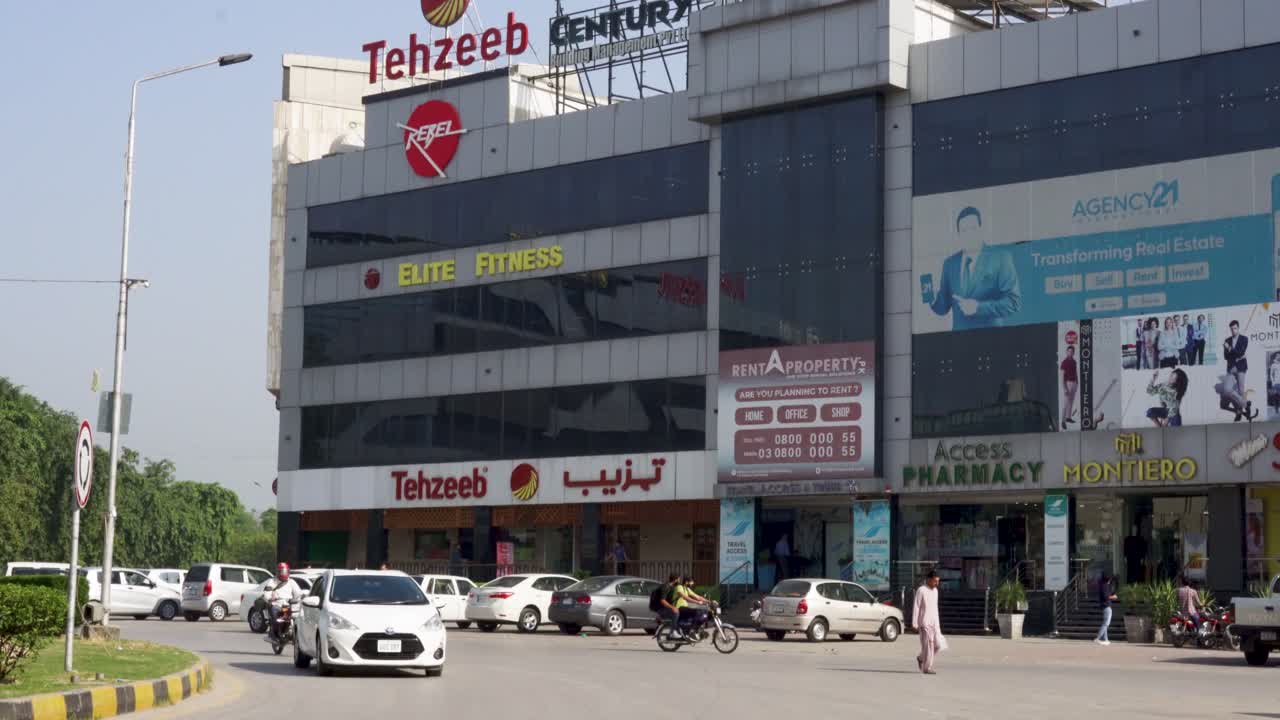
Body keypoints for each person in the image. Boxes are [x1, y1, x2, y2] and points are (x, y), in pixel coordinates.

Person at [925, 206, 1022, 330]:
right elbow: (942, 308)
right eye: (964, 230)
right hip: (960, 343)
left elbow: (1013, 302)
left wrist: (978, 308)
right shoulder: (949, 264)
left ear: (981, 229)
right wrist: (932, 299)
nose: (969, 234)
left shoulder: (1001, 258)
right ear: (959, 234)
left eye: (973, 228)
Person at [1221, 320, 1255, 421]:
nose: (1233, 331)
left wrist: (1230, 349)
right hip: (1231, 368)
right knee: (1227, 390)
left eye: (1235, 328)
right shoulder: (1227, 340)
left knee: (1241, 391)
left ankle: (1239, 412)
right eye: (1231, 329)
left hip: (1241, 368)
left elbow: (1240, 352)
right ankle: (1246, 404)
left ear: (1238, 328)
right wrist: (1233, 352)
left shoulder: (1244, 339)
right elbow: (1225, 357)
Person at [913, 570, 943, 675]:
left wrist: (938, 624)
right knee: (928, 646)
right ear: (929, 580)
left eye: (938, 581)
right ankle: (927, 667)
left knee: (938, 645)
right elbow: (916, 606)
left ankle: (921, 657)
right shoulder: (921, 590)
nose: (937, 584)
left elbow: (935, 608)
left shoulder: (935, 591)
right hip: (924, 623)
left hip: (934, 623)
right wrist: (915, 623)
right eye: (935, 581)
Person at [265, 562, 303, 643]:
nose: (283, 573)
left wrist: (298, 598)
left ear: (288, 572)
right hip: (276, 604)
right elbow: (267, 593)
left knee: (292, 617)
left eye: (284, 571)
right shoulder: (272, 582)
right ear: (277, 572)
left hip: (286, 605)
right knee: (277, 618)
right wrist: (270, 598)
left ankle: (288, 632)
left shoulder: (291, 582)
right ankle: (273, 635)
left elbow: (298, 593)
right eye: (281, 571)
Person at [1095, 574, 1118, 646]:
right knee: (1106, 623)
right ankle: (1098, 638)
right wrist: (1113, 597)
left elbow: (1108, 594)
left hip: (1105, 606)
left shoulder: (1104, 586)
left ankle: (1105, 639)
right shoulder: (1105, 586)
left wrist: (1112, 594)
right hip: (1107, 606)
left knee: (1105, 623)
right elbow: (1106, 596)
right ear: (1109, 579)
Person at [1061, 345, 1079, 428]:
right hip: (1068, 383)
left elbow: (1075, 372)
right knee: (1066, 403)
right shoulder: (1064, 362)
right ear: (1066, 352)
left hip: (1074, 383)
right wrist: (1064, 387)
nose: (1070, 353)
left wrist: (1077, 382)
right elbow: (1062, 376)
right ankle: (1063, 421)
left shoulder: (1074, 362)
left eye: (1072, 352)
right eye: (1069, 351)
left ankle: (1068, 417)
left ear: (1073, 353)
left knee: (1071, 401)